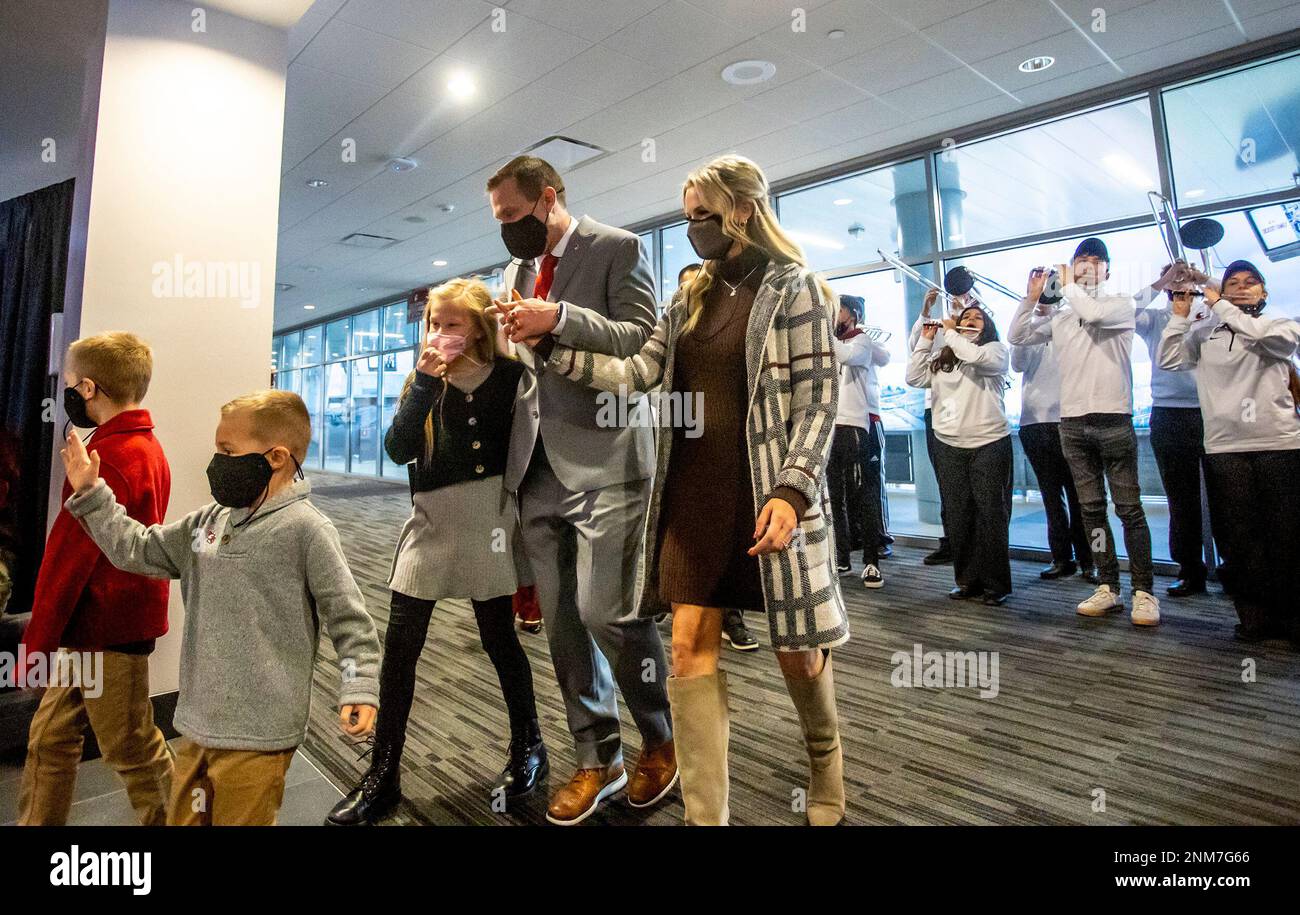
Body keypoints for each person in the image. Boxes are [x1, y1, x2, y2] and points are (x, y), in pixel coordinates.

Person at [518, 154, 848, 826]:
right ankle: (706, 814)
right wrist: (556, 344)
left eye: (704, 214)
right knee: (690, 647)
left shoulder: (797, 288)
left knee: (798, 654)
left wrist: (793, 490)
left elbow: (819, 402)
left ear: (744, 210)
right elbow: (638, 371)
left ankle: (825, 758)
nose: (694, 227)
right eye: (687, 215)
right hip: (694, 497)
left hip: (768, 495)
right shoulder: (687, 294)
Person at [59, 390, 380, 825]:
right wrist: (93, 494)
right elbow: (137, 549)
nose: (217, 462)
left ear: (277, 457)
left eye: (227, 451)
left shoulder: (307, 531)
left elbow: (349, 619)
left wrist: (358, 687)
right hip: (196, 726)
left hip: (260, 737)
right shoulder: (209, 522)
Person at [487, 155, 676, 825]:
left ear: (548, 198)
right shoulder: (512, 271)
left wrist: (558, 316)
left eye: (512, 215)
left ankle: (660, 739)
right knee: (563, 620)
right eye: (498, 220)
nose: (506, 230)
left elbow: (642, 339)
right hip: (535, 464)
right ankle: (598, 756)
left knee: (610, 613)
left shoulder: (616, 247)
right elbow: (525, 362)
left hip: (609, 455)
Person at [326, 279, 547, 826]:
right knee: (400, 651)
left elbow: (530, 454)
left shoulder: (512, 377)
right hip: (429, 526)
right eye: (433, 323)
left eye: (451, 323)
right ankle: (383, 774)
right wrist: (424, 382)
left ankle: (530, 747)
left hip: (488, 522)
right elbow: (399, 448)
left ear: (476, 326)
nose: (440, 333)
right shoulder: (421, 381)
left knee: (500, 643)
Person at [16, 332, 174, 826]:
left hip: (110, 631)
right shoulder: (138, 445)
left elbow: (69, 561)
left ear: (88, 388)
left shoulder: (113, 459)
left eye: (68, 385)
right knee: (50, 738)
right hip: (93, 629)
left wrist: (35, 647)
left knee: (133, 749)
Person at [1008, 238, 1160, 626]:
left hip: (1114, 419)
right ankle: (1108, 585)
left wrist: (1067, 284)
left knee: (1129, 509)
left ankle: (1144, 590)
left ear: (1107, 271)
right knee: (1092, 511)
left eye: (1096, 261)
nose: (1088, 266)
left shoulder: (1120, 304)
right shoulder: (1060, 316)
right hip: (1072, 424)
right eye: (1081, 261)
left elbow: (1092, 314)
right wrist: (1031, 298)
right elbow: (1018, 338)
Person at [1157, 260, 1300, 645]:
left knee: (1287, 536)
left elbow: (1264, 338)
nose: (1239, 287)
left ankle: (1292, 617)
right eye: (1232, 282)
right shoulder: (1208, 330)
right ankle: (1254, 617)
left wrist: (1219, 300)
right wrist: (1181, 315)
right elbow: (1170, 359)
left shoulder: (1280, 324)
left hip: (1279, 443)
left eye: (1249, 283)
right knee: (1239, 537)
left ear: (1263, 292)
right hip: (1224, 447)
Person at [907, 306, 1014, 605]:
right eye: (965, 317)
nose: (969, 321)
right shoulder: (945, 357)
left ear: (988, 326)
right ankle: (967, 581)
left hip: (989, 443)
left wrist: (951, 331)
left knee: (991, 515)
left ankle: (996, 585)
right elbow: (913, 377)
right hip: (949, 444)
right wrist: (927, 340)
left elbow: (975, 356)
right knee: (959, 515)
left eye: (976, 318)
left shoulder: (995, 350)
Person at [1135, 263, 1213, 596]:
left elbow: (1233, 301)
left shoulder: (1212, 311)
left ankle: (1237, 569)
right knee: (1180, 499)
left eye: (1186, 276)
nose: (1180, 282)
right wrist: (1161, 281)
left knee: (1225, 496)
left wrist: (1204, 281)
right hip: (1169, 414)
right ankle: (1190, 570)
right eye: (1174, 277)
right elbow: (1127, 310)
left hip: (1211, 412)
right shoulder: (1154, 317)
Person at [1011, 319, 1096, 582]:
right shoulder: (1028, 328)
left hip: (1072, 418)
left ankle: (1091, 560)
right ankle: (1061, 558)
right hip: (1035, 424)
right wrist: (1035, 314)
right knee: (1050, 497)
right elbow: (1017, 363)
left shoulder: (1072, 320)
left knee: (1084, 499)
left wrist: (1056, 316)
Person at [911, 287, 980, 565]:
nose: (957, 303)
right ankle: (952, 541)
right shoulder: (941, 325)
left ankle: (975, 544)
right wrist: (926, 312)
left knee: (973, 486)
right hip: (936, 409)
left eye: (964, 300)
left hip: (967, 410)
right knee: (946, 481)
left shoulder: (975, 329)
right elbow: (916, 347)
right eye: (954, 300)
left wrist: (961, 318)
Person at [829, 293, 889, 589]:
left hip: (855, 424)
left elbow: (848, 356)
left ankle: (871, 561)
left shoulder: (861, 339)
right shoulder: (832, 340)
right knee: (834, 496)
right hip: (830, 427)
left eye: (837, 308)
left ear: (852, 313)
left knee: (863, 493)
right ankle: (842, 555)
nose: (833, 313)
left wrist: (822, 332)